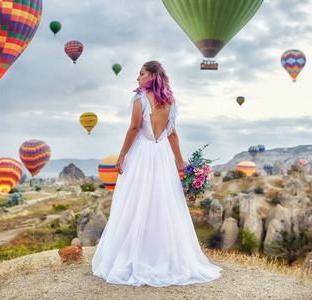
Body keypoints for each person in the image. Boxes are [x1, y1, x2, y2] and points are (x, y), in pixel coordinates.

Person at [92, 61, 222, 287]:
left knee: (134, 204)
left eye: (141, 74)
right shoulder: (170, 101)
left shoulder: (140, 98)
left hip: (141, 156)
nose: (137, 78)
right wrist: (180, 161)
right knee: (161, 205)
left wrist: (122, 155)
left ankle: (136, 257)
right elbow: (172, 135)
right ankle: (162, 259)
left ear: (152, 75)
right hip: (162, 158)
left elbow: (134, 129)